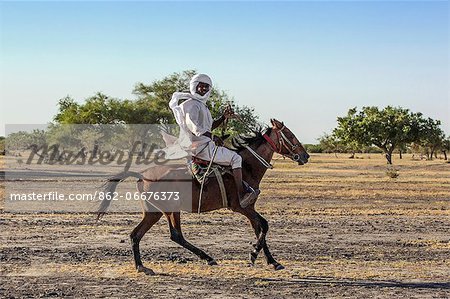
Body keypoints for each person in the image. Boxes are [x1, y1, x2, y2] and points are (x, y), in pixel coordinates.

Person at [169, 73, 258, 208]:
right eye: (201, 86)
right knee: (236, 158)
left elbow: (208, 127)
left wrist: (223, 117)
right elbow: (194, 126)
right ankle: (241, 195)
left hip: (204, 145)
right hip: (199, 147)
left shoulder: (201, 105)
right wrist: (212, 137)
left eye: (206, 87)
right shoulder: (191, 104)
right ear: (194, 86)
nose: (204, 89)